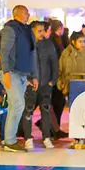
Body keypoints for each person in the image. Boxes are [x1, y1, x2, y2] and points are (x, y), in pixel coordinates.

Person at [0, 5, 39, 152]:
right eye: (27, 13)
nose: (28, 15)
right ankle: (10, 141)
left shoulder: (27, 31)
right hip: (12, 72)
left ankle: (8, 139)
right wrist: (6, 72)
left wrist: (34, 75)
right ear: (20, 14)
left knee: (14, 106)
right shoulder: (10, 29)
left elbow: (32, 54)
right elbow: (4, 51)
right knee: (18, 105)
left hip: (22, 73)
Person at [20, 21, 58, 150]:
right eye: (39, 31)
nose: (42, 33)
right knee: (28, 111)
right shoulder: (25, 45)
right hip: (30, 85)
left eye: (43, 30)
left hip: (45, 84)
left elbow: (54, 62)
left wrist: (52, 80)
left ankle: (46, 137)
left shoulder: (48, 44)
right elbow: (21, 64)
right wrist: (26, 80)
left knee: (45, 111)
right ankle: (28, 138)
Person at [58, 31, 85, 98]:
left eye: (84, 41)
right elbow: (59, 70)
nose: (82, 44)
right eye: (80, 41)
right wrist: (61, 83)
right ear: (73, 42)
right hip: (68, 90)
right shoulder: (66, 54)